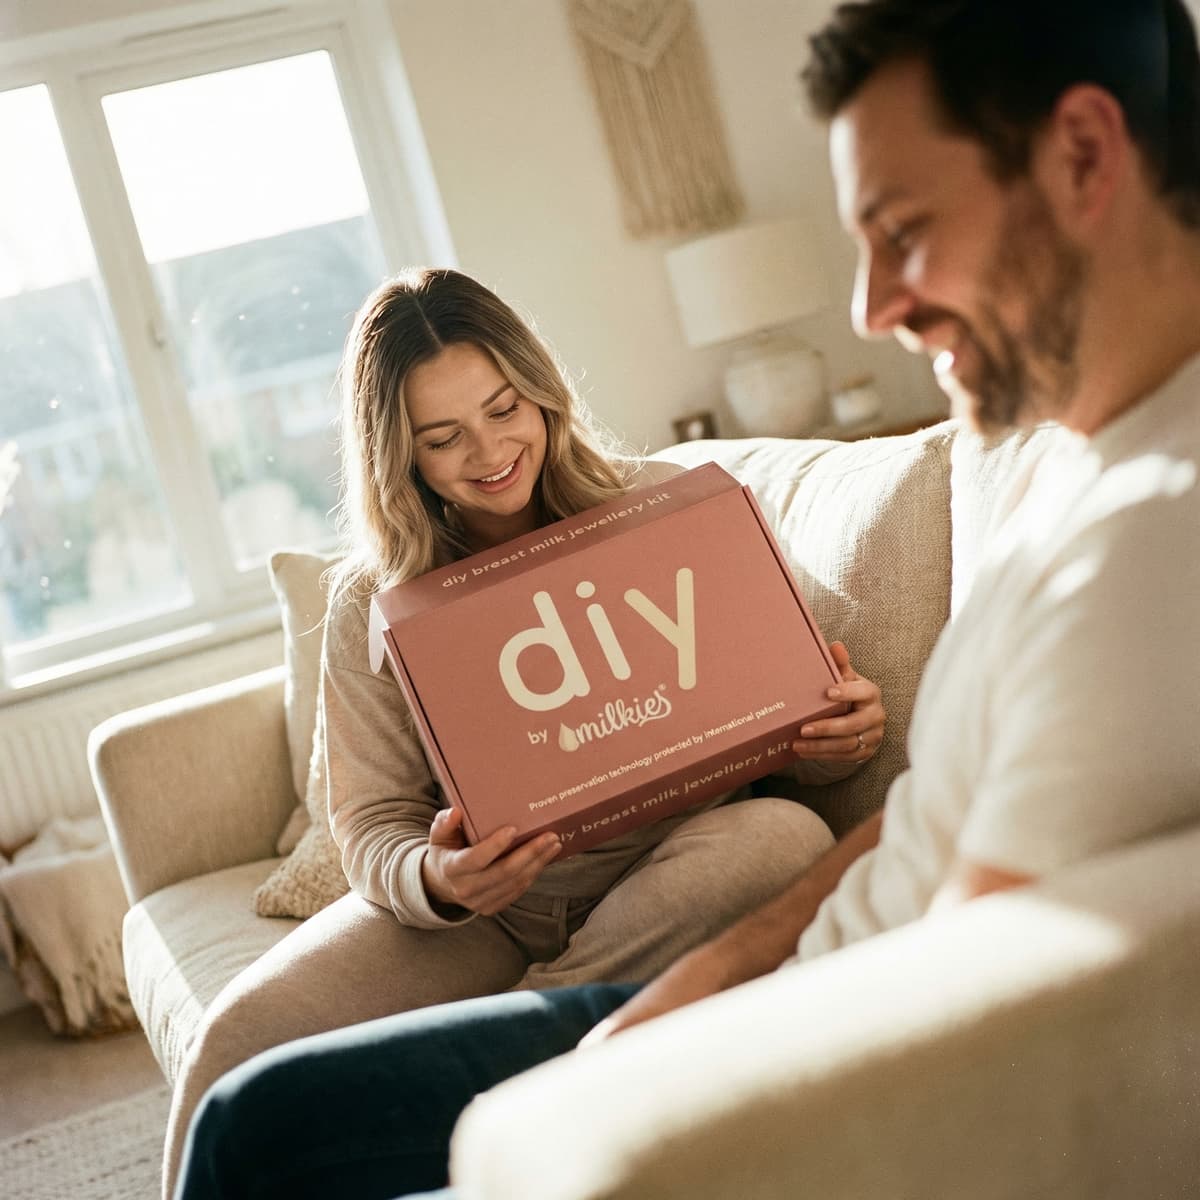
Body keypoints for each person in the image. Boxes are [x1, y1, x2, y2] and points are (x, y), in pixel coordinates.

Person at [174, 1, 1200, 1196]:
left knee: (269, 1138)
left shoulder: (1147, 544)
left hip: (801, 1046)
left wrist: (637, 1075)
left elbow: (979, 1011)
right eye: (443, 439)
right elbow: (920, 828)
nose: (866, 308)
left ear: (1083, 155)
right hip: (648, 957)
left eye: (903, 229)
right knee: (249, 1093)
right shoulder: (1078, 474)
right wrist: (668, 995)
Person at [162, 267, 886, 1195]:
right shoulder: (366, 602)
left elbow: (802, 693)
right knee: (235, 1041)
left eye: (506, 409)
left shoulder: (668, 506)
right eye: (442, 437)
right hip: (489, 910)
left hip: (681, 863)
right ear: (400, 456)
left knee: (785, 837)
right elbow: (370, 828)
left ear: (542, 392)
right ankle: (513, 1060)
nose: (490, 450)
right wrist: (440, 876)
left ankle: (494, 1077)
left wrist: (844, 734)